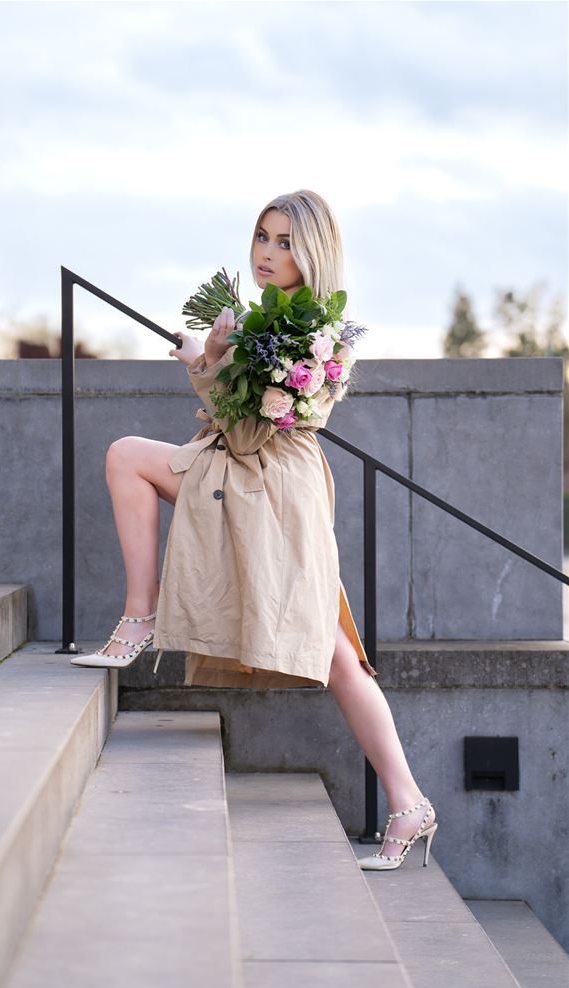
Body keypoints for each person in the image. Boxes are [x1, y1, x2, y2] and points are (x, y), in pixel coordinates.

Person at [71, 189, 437, 871]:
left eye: (285, 242)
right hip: (244, 475)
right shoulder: (273, 320)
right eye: (263, 237)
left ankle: (409, 801)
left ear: (313, 252)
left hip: (274, 489)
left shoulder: (312, 335)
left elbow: (245, 430)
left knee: (334, 654)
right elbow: (238, 417)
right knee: (127, 457)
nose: (267, 253)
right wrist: (212, 354)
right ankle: (139, 616)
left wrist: (208, 359)